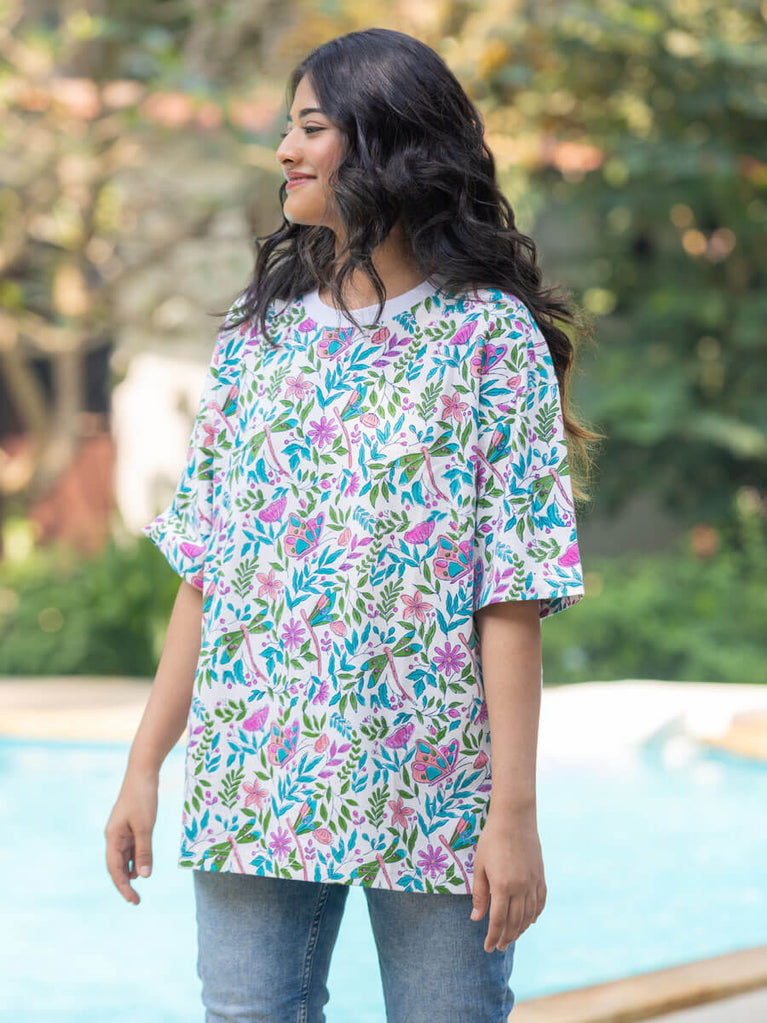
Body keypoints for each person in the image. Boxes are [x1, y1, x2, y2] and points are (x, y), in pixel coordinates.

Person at [105, 27, 600, 1023]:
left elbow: (510, 592)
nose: (284, 149)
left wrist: (512, 814)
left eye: (310, 127)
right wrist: (141, 766)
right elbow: (207, 571)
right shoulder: (255, 336)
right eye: (287, 127)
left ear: (386, 144)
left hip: (433, 783)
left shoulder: (487, 338)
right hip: (253, 773)